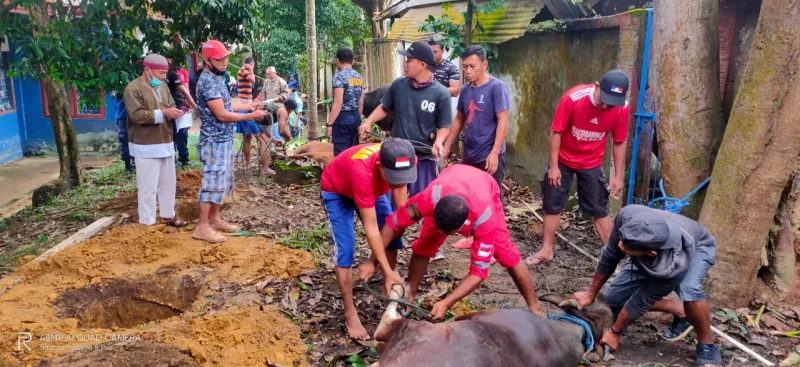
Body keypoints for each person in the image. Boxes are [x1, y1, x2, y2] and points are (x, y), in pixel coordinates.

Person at [361, 164, 544, 320]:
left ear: (461, 229)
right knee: (426, 244)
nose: (441, 234)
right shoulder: (429, 198)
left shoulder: (485, 219)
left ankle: (534, 306)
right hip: (451, 180)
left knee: (506, 253)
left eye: (446, 233)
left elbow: (479, 273)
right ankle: (410, 293)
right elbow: (391, 225)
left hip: (485, 187)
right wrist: (372, 260)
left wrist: (447, 303)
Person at [567, 204, 721, 367]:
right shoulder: (628, 216)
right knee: (613, 299)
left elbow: (640, 301)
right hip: (653, 245)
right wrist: (590, 294)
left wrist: (615, 332)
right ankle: (680, 311)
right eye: (622, 240)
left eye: (626, 247)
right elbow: (609, 257)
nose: (620, 246)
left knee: (689, 290)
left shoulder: (671, 266)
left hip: (698, 247)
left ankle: (706, 344)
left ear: (651, 253)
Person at [527, 69, 630, 265]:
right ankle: (546, 249)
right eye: (604, 99)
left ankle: (613, 260)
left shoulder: (622, 108)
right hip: (563, 160)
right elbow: (556, 132)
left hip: (591, 162)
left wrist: (618, 176)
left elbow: (619, 141)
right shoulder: (573, 99)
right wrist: (554, 166)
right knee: (553, 203)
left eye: (611, 103)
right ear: (597, 86)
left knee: (599, 208)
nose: (606, 105)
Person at [320, 139, 414, 340]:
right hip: (337, 191)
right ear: (380, 166)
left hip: (372, 188)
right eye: (393, 178)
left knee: (393, 232)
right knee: (345, 250)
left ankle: (388, 291)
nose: (398, 182)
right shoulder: (362, 172)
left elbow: (400, 203)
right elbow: (370, 227)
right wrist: (382, 266)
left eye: (401, 178)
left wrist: (399, 221)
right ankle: (349, 312)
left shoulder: (402, 158)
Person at [193, 40, 267, 243]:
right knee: (211, 182)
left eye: (225, 57)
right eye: (220, 58)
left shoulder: (218, 79)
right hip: (214, 141)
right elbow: (222, 114)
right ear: (207, 61)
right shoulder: (207, 82)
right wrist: (251, 115)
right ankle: (202, 226)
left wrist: (249, 104)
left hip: (224, 139)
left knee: (222, 182)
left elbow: (227, 103)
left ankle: (216, 219)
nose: (225, 61)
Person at [359, 41, 452, 197]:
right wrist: (368, 122)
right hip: (398, 155)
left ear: (422, 65)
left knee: (422, 202)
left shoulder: (441, 93)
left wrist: (439, 141)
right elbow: (384, 107)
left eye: (409, 60)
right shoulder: (398, 85)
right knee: (392, 203)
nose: (405, 64)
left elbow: (445, 125)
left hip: (423, 157)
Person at [123, 53, 188, 227]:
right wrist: (164, 113)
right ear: (147, 70)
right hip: (146, 144)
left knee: (168, 183)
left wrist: (176, 113)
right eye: (160, 73)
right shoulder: (132, 89)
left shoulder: (163, 87)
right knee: (148, 187)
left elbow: (170, 105)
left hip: (165, 142)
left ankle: (168, 216)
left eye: (165, 73)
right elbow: (136, 115)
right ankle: (148, 223)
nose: (164, 77)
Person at [443, 45, 509, 191]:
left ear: (484, 64)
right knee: (471, 195)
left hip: (488, 154)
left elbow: (503, 121)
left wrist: (494, 153)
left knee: (491, 195)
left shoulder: (497, 88)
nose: (468, 71)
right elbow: (460, 119)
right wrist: (447, 146)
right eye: (465, 67)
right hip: (470, 153)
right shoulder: (465, 90)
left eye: (472, 66)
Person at [235, 57, 273, 175]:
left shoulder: (243, 70)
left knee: (248, 137)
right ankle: (265, 168)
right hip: (245, 108)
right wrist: (251, 70)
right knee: (263, 139)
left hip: (244, 106)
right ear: (253, 64)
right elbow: (252, 79)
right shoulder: (245, 69)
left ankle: (247, 165)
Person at [326, 48, 365, 156]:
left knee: (341, 155)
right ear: (352, 61)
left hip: (342, 119)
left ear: (338, 60)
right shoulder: (359, 76)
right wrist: (358, 118)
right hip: (356, 117)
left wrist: (329, 125)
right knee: (353, 153)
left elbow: (338, 102)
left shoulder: (339, 76)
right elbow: (361, 101)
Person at [166, 57, 198, 168]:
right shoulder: (171, 74)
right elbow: (184, 91)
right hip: (175, 107)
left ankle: (176, 159)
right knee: (180, 133)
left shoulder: (169, 73)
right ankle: (183, 159)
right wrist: (194, 106)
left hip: (172, 106)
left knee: (176, 133)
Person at [114, 95, 134, 174]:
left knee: (138, 140)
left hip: (136, 115)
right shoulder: (119, 85)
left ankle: (134, 163)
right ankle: (128, 166)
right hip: (122, 116)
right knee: (124, 140)